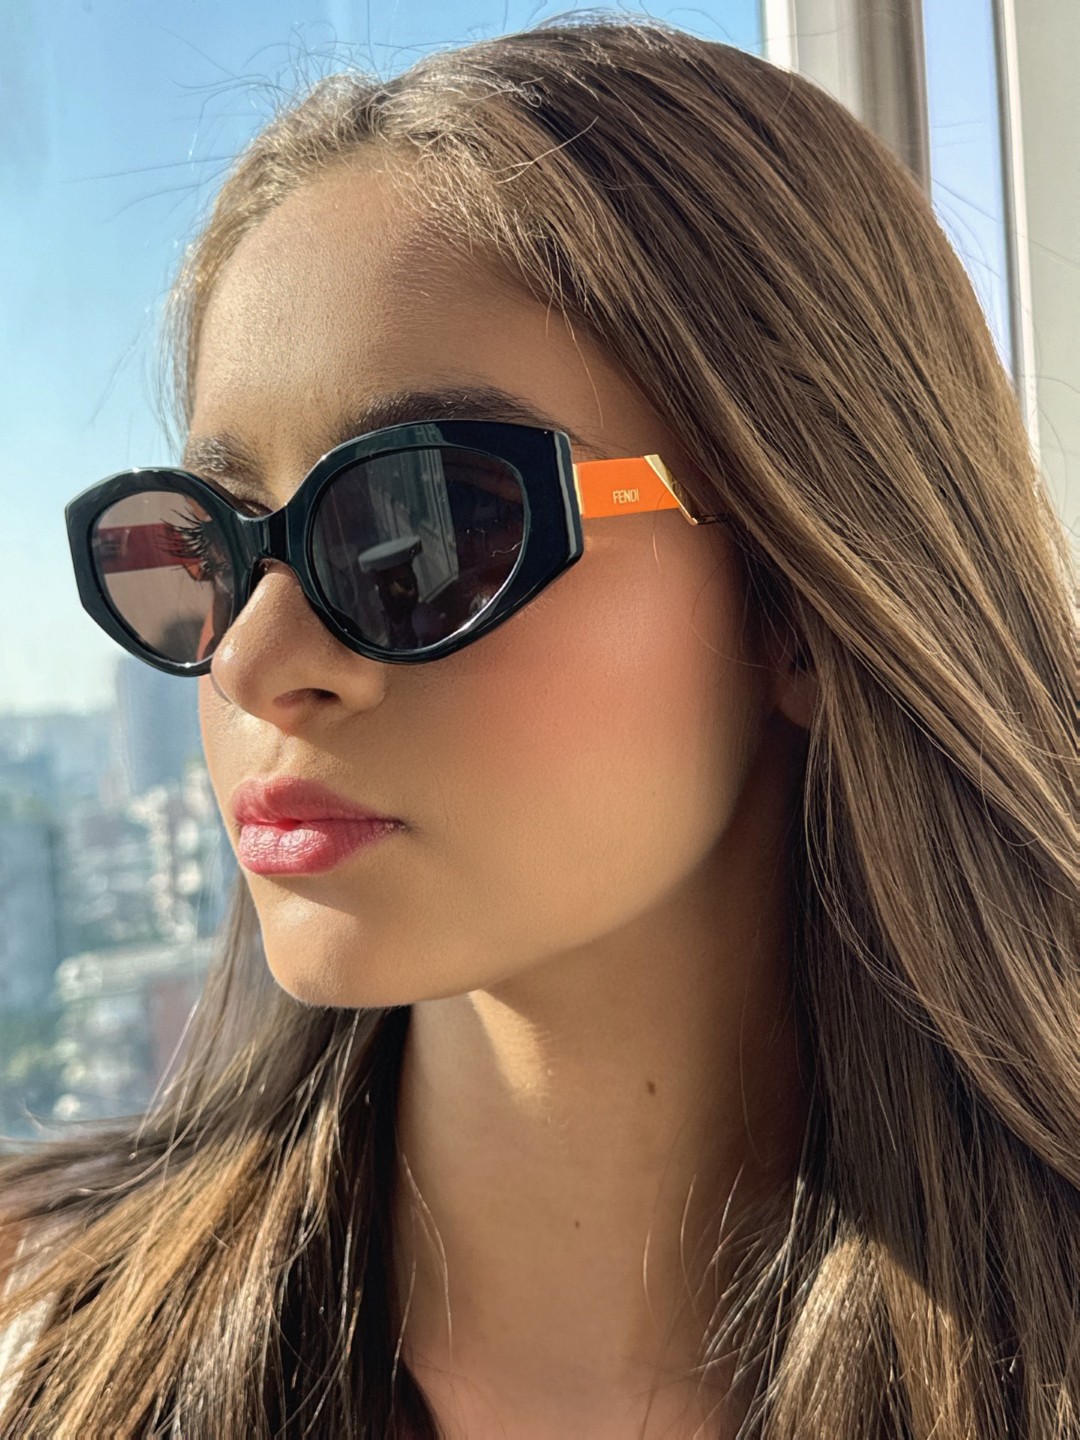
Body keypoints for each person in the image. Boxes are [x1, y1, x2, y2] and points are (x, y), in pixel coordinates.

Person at [1, 16, 1076, 1439]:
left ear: (806, 593)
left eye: (426, 525)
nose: (251, 662)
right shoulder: (37, 1345)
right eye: (207, 544)